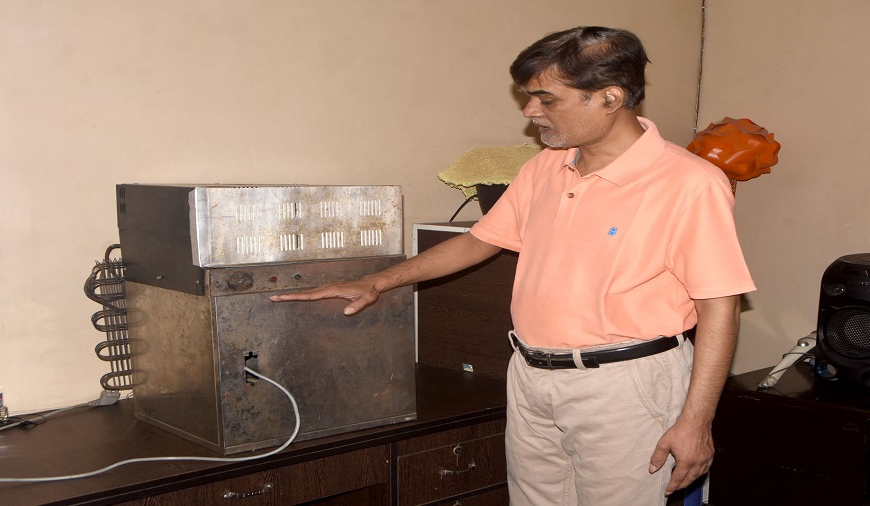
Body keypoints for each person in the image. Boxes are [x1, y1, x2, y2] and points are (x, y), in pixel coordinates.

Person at [270, 26, 755, 506]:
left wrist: (696, 422)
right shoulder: (544, 166)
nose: (530, 111)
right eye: (529, 97)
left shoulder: (689, 183)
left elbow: (720, 306)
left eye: (547, 99)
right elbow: (480, 241)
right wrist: (377, 281)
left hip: (624, 384)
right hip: (529, 373)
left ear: (609, 97)